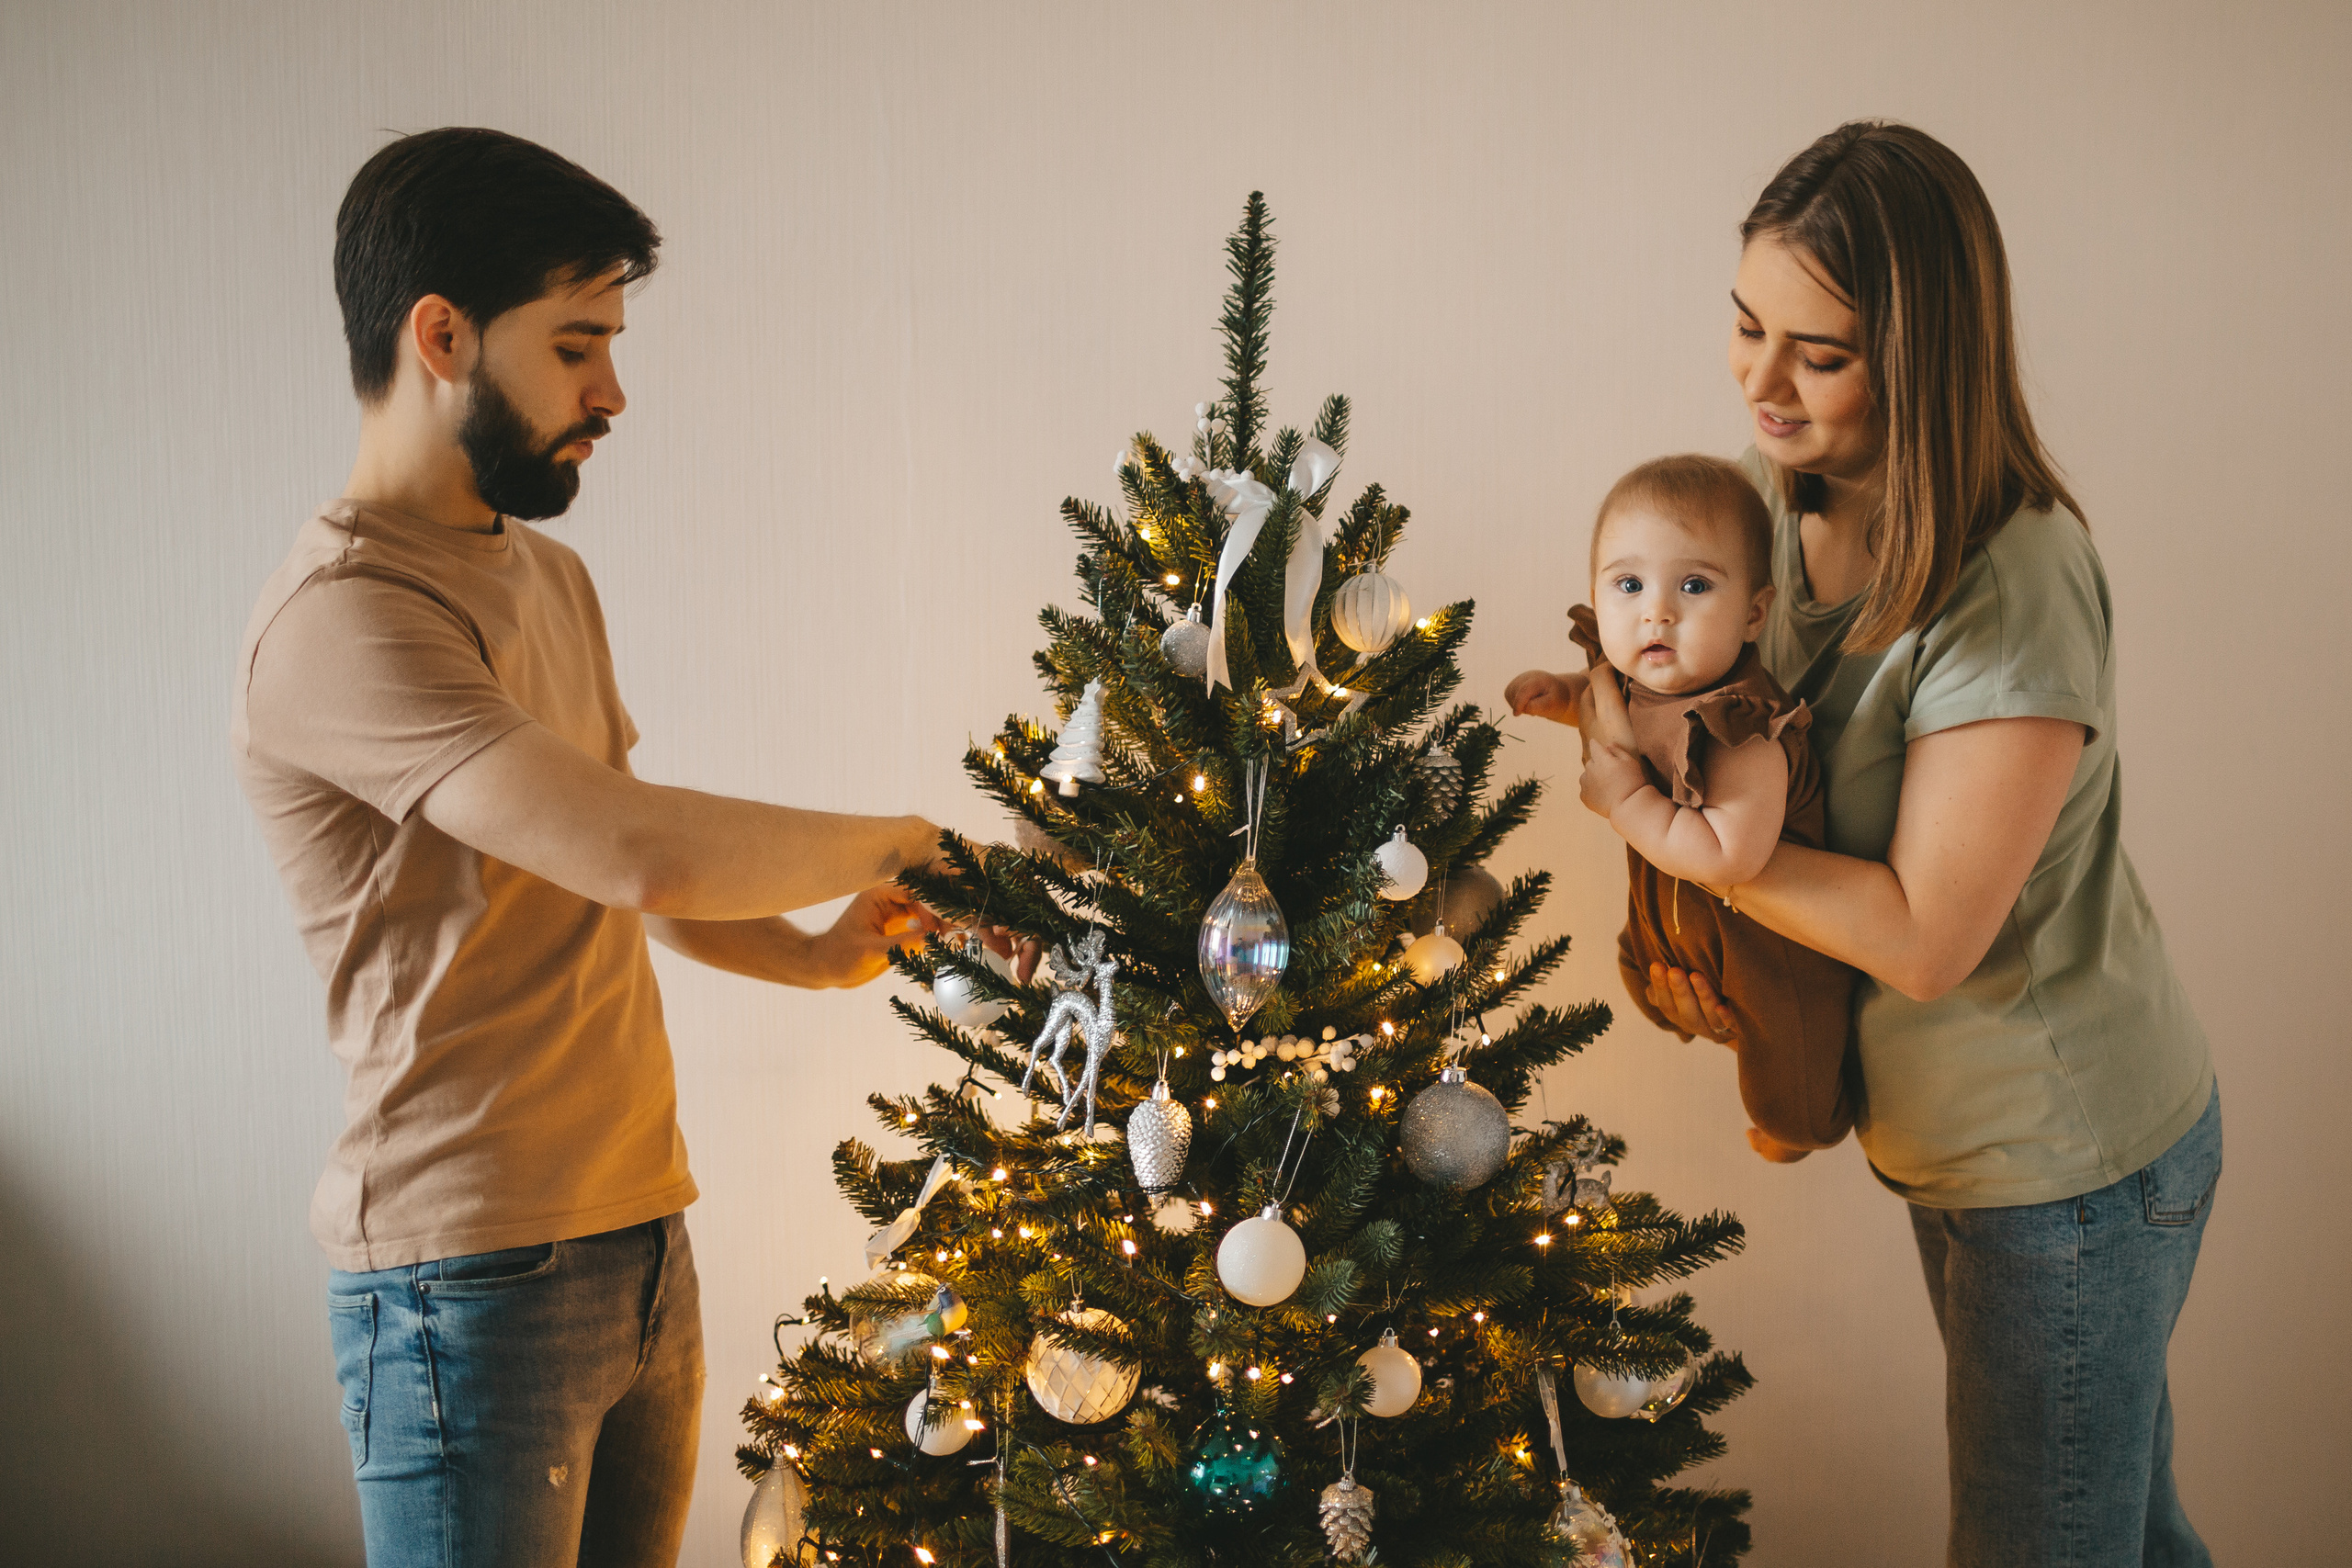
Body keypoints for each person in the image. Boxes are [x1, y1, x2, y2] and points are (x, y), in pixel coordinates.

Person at [230, 127, 957, 1568]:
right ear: (441, 333)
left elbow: (610, 844)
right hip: (465, 1277)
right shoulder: (345, 618)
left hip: (637, 1236)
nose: (612, 392)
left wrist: (815, 956)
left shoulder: (546, 572)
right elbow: (643, 853)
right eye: (575, 346)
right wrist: (912, 840)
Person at [1511, 121, 2218, 1566]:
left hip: (2065, 1162)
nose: (1760, 383)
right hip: (1958, 1147)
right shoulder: (1781, 500)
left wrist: (1675, 830)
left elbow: (1922, 932)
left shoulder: (2010, 580)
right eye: (1745, 323)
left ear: (1922, 358)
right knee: (2130, 1538)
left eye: (1817, 353)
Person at [1512, 454, 1857, 1164]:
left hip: (1771, 961)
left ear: (1755, 612)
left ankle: (1801, 1126)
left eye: (1694, 585)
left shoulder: (1746, 729)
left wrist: (1627, 799)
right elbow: (1617, 703)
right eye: (1629, 584)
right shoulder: (1636, 675)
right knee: (1633, 971)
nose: (1656, 610)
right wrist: (1566, 694)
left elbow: (1727, 857)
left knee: (1784, 1086)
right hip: (1669, 928)